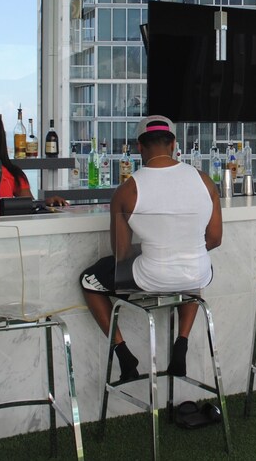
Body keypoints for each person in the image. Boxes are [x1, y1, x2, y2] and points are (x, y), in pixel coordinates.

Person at [81, 115, 222, 380]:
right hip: (198, 274)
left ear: (139, 147)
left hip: (151, 279)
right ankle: (181, 343)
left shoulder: (127, 190)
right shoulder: (205, 181)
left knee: (89, 279)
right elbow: (214, 239)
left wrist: (149, 249)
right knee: (192, 264)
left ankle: (124, 355)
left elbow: (121, 253)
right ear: (174, 145)